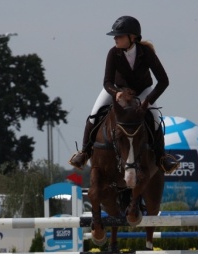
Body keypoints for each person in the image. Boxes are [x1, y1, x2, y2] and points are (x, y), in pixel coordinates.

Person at [69, 15, 179, 173]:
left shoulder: (146, 52)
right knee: (94, 114)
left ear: (132, 37)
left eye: (119, 36)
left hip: (142, 91)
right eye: (115, 36)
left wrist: (147, 102)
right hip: (118, 90)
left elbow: (163, 81)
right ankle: (85, 152)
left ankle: (162, 158)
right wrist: (116, 94)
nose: (115, 39)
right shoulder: (113, 53)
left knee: (155, 119)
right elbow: (107, 82)